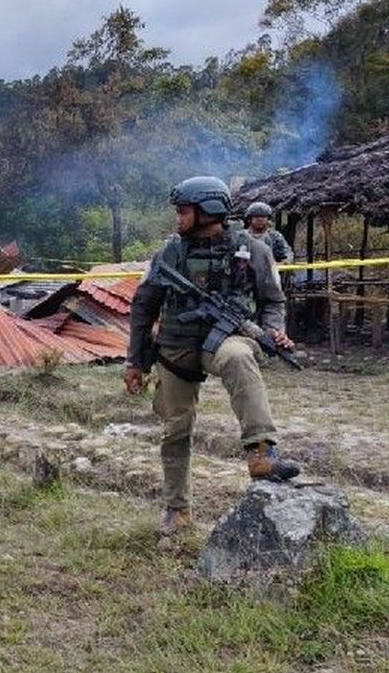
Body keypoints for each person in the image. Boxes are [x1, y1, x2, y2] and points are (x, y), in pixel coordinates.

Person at [124, 177, 300, 537]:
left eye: (183, 211)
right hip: (175, 347)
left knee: (238, 358)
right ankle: (177, 510)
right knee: (176, 429)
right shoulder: (169, 253)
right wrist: (135, 362)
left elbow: (272, 301)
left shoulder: (253, 250)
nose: (178, 217)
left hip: (226, 339)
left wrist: (273, 329)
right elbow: (143, 308)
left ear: (208, 211)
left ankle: (261, 453)